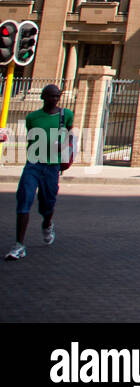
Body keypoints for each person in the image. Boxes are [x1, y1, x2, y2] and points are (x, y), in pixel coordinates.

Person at [6, 84, 74, 261]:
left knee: (47, 204)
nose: (54, 99)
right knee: (24, 200)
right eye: (51, 96)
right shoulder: (32, 117)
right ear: (43, 97)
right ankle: (19, 245)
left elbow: (70, 135)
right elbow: (32, 138)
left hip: (52, 167)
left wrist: (64, 145)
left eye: (57, 96)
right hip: (33, 165)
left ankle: (47, 223)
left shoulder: (66, 115)